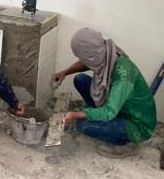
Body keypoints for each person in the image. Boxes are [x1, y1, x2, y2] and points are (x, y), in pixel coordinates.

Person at [53, 28, 157, 158]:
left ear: (91, 55)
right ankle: (95, 114)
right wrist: (65, 72)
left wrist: (75, 114)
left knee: (82, 125)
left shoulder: (123, 78)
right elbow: (86, 64)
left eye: (81, 56)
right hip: (119, 104)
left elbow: (109, 112)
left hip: (136, 123)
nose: (81, 59)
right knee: (80, 79)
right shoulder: (106, 51)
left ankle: (127, 144)